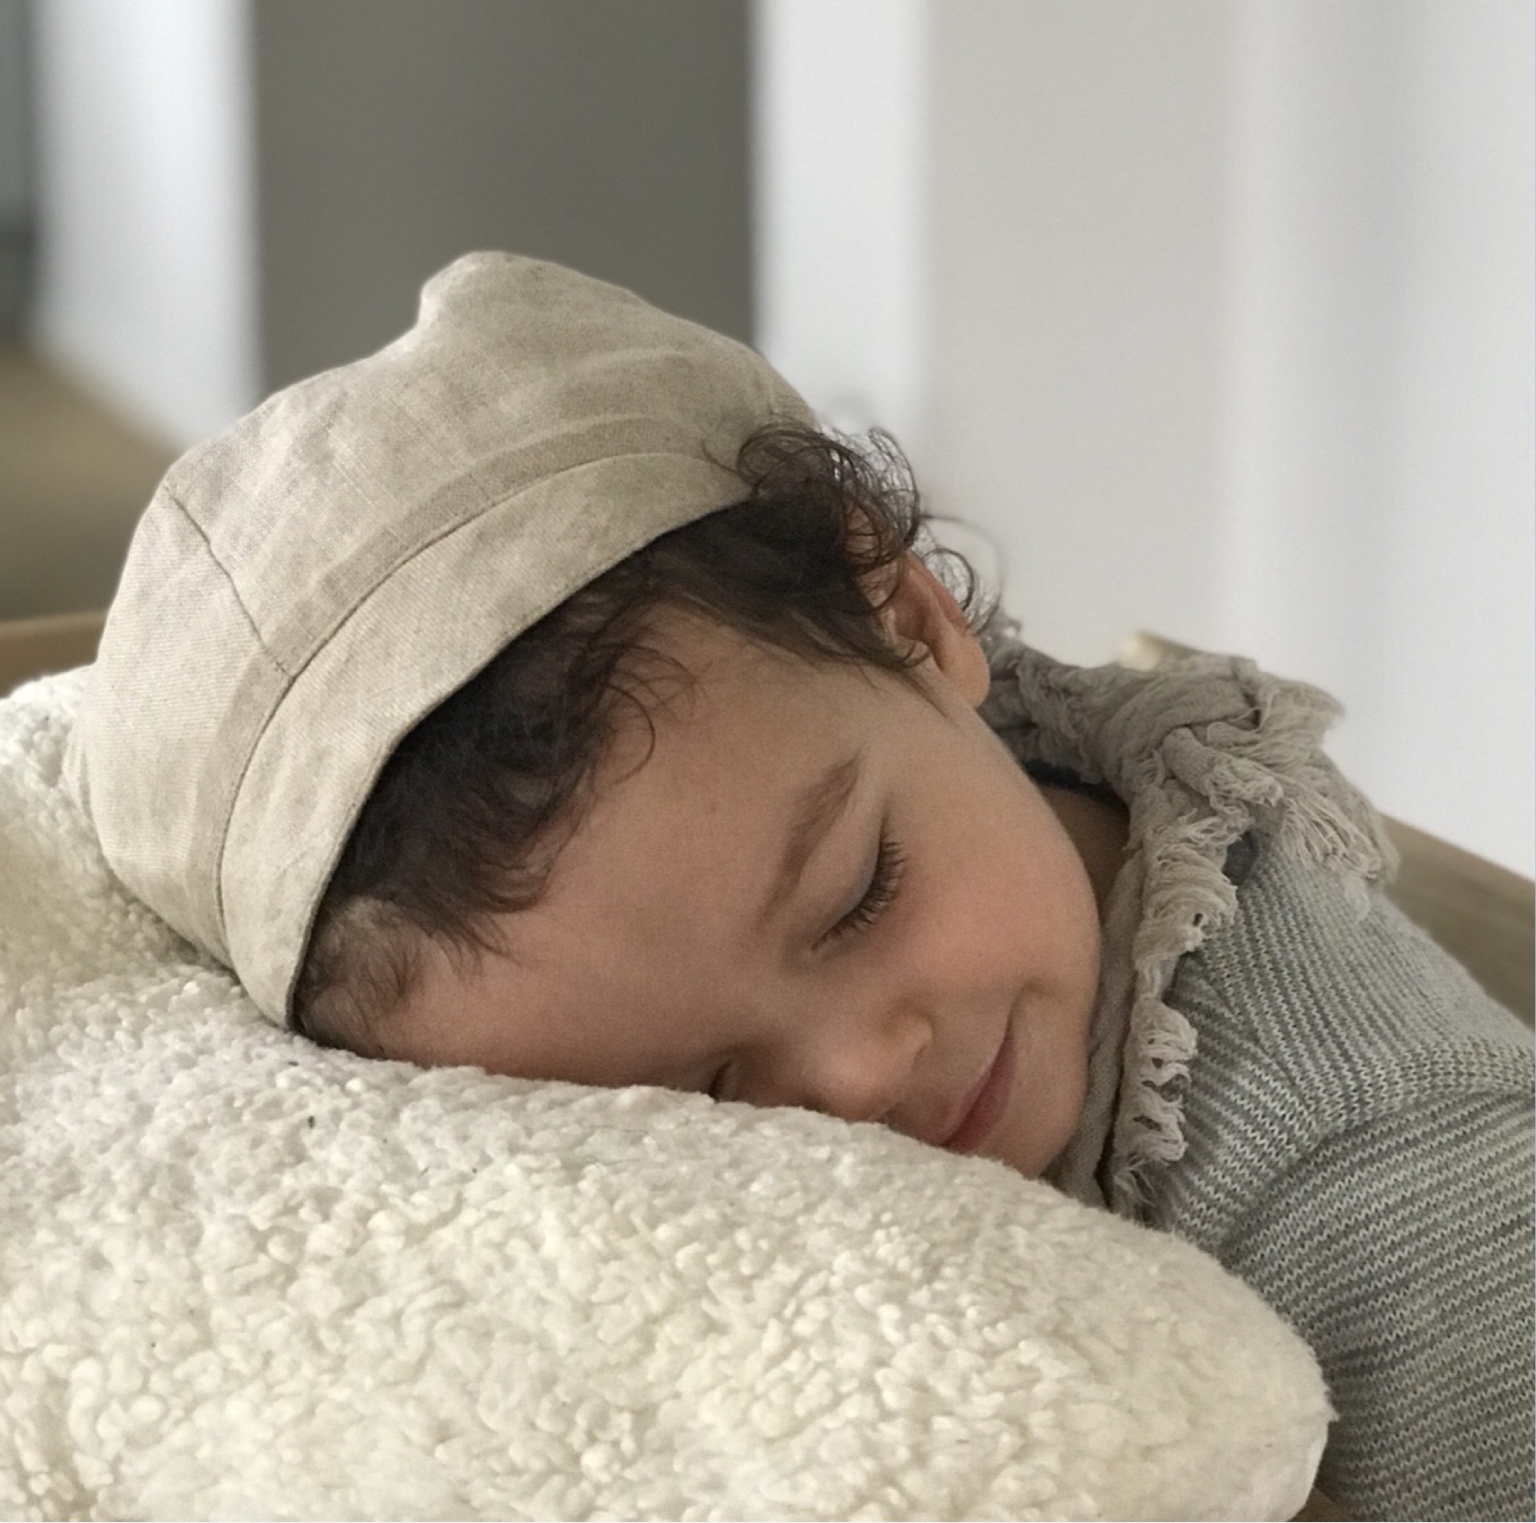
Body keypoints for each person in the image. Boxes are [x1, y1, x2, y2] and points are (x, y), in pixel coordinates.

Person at [70, 253, 1533, 1523]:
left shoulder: (1393, 1183)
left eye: (858, 897)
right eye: (699, 1096)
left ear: (912, 614)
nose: (853, 1079)